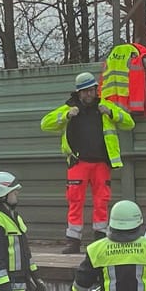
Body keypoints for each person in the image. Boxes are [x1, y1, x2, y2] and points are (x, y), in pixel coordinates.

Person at [40, 71, 136, 254]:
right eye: (84, 91)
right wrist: (66, 116)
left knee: (102, 201)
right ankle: (73, 241)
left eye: (91, 90)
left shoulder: (105, 106)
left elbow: (129, 123)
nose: (88, 94)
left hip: (101, 163)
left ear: (96, 89)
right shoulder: (68, 107)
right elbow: (45, 124)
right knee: (75, 201)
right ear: (78, 92)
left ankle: (100, 238)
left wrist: (112, 113)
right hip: (78, 162)